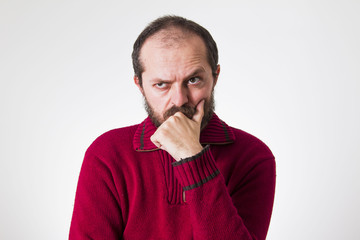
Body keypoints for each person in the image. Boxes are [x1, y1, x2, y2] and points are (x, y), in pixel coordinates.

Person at [69, 15, 276, 240]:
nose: (179, 100)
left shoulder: (253, 156)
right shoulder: (107, 154)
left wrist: (193, 156)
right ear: (140, 85)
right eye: (161, 85)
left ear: (215, 77)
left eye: (194, 80)